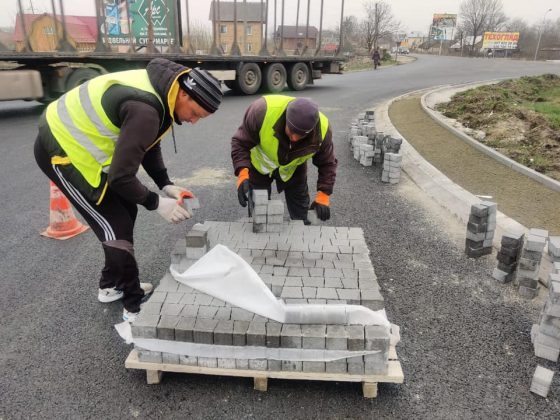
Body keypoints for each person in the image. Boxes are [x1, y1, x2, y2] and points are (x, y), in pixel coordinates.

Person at [34, 58, 222, 322]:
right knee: (116, 225)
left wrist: (166, 185)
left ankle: (111, 285)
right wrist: (156, 203)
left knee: (126, 210)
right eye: (196, 113)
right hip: (60, 150)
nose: (194, 122)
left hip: (79, 144)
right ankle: (134, 308)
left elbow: (149, 142)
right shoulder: (145, 109)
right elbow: (121, 177)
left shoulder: (163, 95)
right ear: (184, 93)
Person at [231, 95, 337, 223]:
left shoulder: (323, 131)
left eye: (301, 135)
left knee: (301, 217)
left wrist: (323, 195)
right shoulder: (261, 111)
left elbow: (327, 163)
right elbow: (240, 143)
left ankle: (300, 237)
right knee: (259, 215)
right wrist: (242, 173)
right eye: (291, 131)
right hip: (260, 167)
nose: (294, 138)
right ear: (286, 118)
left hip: (293, 171)